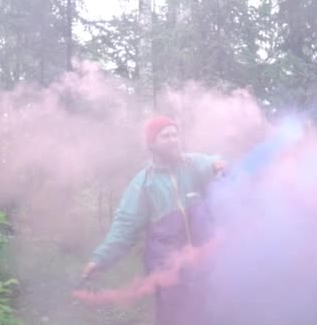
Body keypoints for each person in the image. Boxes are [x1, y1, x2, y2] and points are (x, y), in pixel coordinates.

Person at [81, 115, 225, 325]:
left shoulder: (193, 164)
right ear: (152, 143)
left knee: (208, 314)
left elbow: (212, 162)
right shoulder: (143, 184)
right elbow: (124, 226)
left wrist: (219, 164)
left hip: (203, 263)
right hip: (167, 270)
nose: (173, 139)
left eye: (175, 134)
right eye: (165, 136)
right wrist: (100, 259)